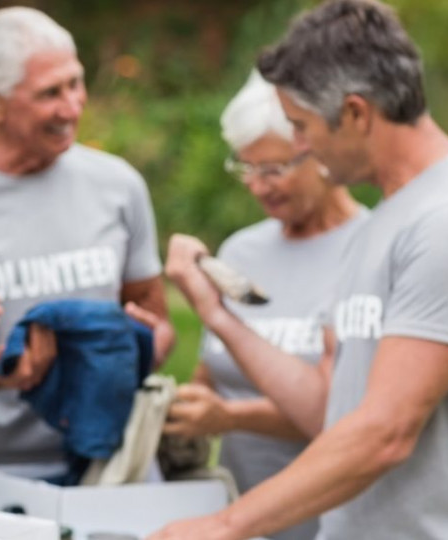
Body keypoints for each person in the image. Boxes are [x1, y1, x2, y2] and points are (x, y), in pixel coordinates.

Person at [150, 1, 448, 539]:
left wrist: (226, 525)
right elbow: (326, 410)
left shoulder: (445, 222)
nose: (298, 146)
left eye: (300, 126)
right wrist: (216, 315)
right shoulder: (379, 223)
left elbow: (386, 432)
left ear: (357, 113)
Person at [0, 6, 175, 493]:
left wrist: (136, 345)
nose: (73, 107)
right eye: (50, 93)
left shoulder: (117, 185)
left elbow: (160, 325)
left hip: (109, 470)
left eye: (76, 83)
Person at [160, 71, 367, 540]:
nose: (257, 186)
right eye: (246, 168)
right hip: (239, 515)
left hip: (329, 521)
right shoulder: (240, 253)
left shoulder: (366, 248)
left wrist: (232, 418)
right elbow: (213, 373)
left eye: (273, 169)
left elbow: (348, 416)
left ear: (319, 151)